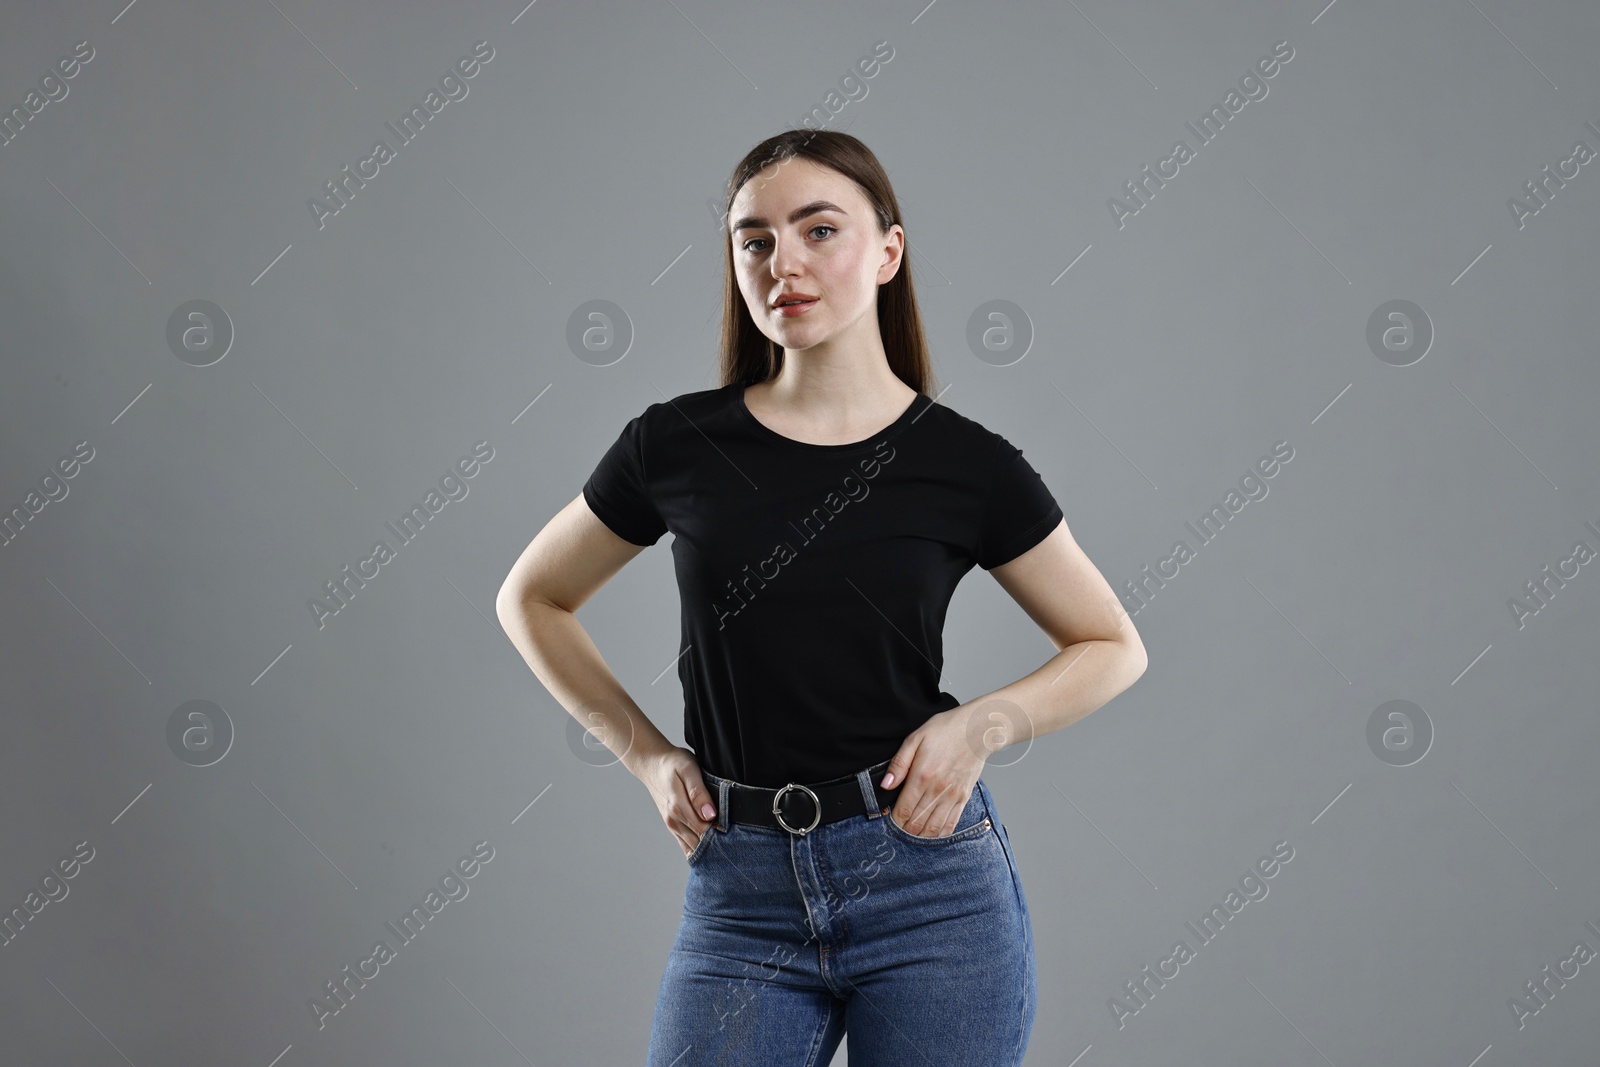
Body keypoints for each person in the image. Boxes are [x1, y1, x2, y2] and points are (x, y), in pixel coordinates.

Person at [495, 129, 1148, 1066]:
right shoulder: (675, 445)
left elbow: (1112, 644)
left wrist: (983, 726)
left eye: (819, 230)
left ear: (888, 251)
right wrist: (644, 756)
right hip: (741, 892)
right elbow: (535, 597)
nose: (781, 263)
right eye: (754, 239)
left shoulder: (965, 465)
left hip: (928, 887)